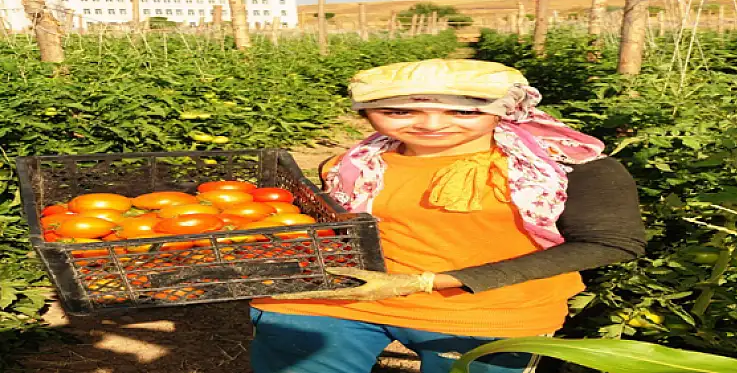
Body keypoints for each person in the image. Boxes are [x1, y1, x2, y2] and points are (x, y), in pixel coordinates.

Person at [248, 59, 646, 373]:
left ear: (504, 111)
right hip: (343, 297)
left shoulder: (563, 169)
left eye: (464, 111)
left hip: (488, 307)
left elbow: (612, 243)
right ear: (366, 112)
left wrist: (425, 282)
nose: (432, 124)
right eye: (399, 112)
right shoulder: (353, 165)